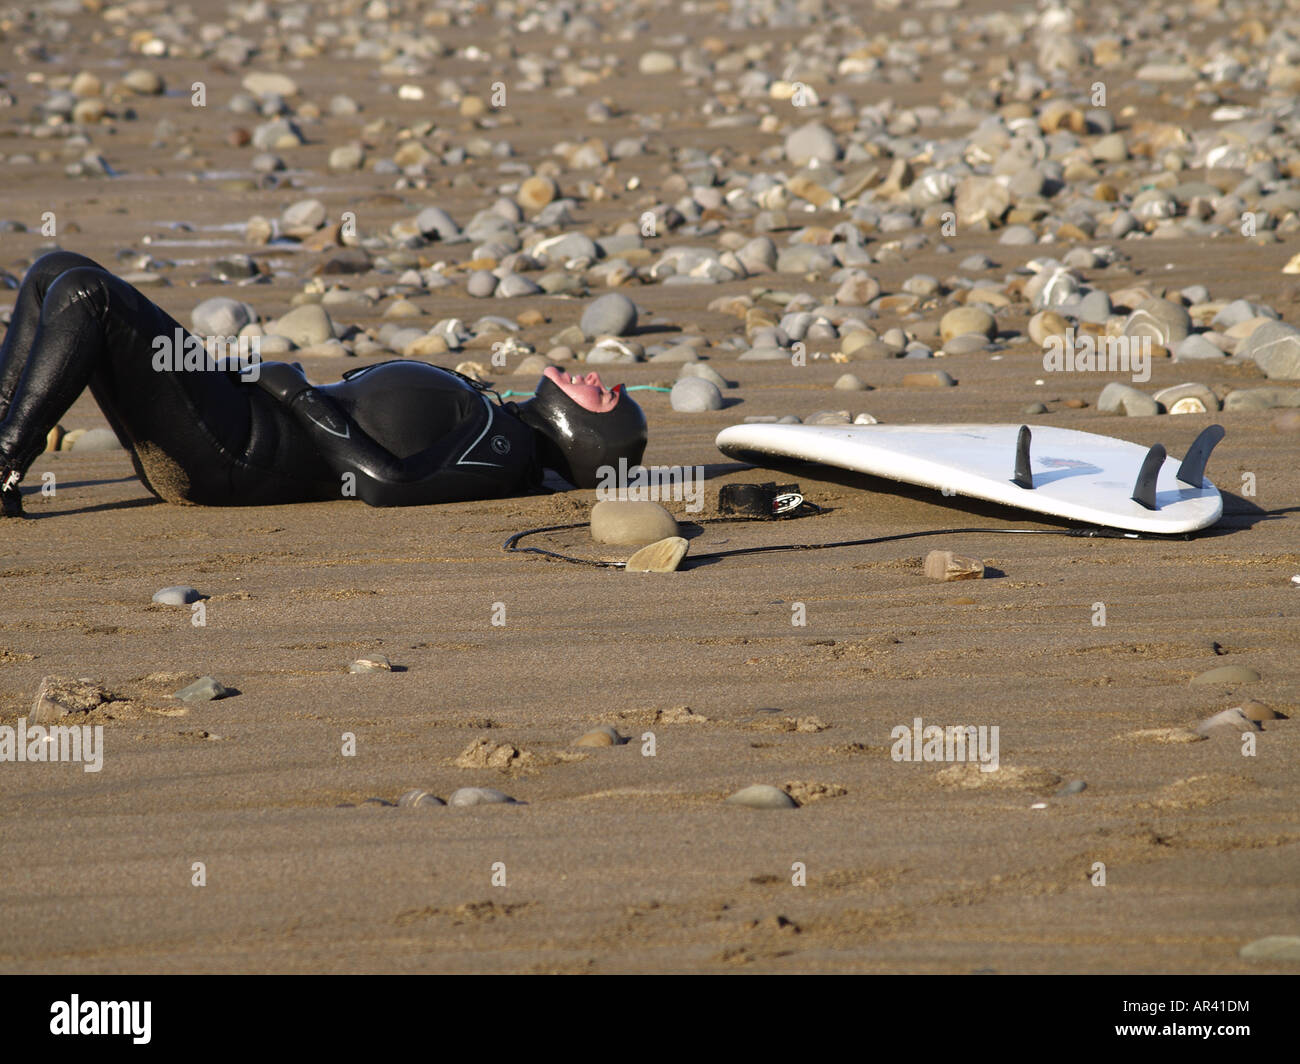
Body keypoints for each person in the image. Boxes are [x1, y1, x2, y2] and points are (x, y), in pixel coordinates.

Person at [0, 251, 647, 517]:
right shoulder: (496, 416)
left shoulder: (506, 451)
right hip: (238, 416)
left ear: (590, 435)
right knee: (54, 271)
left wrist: (298, 395)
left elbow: (387, 485)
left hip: (240, 453)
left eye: (605, 394)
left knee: (87, 297)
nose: (594, 376)